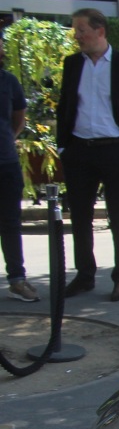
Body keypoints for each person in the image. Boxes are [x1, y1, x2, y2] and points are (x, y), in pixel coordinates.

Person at [56, 8, 119, 303]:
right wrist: (63, 147)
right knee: (80, 217)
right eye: (75, 30)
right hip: (79, 150)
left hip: (116, 150)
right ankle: (85, 275)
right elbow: (64, 106)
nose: (77, 36)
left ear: (100, 31)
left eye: (81, 30)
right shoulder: (73, 65)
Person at [1, 52, 36, 302]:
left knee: (10, 223)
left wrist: (7, 139)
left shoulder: (9, 81)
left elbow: (18, 119)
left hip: (5, 161)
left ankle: (17, 279)